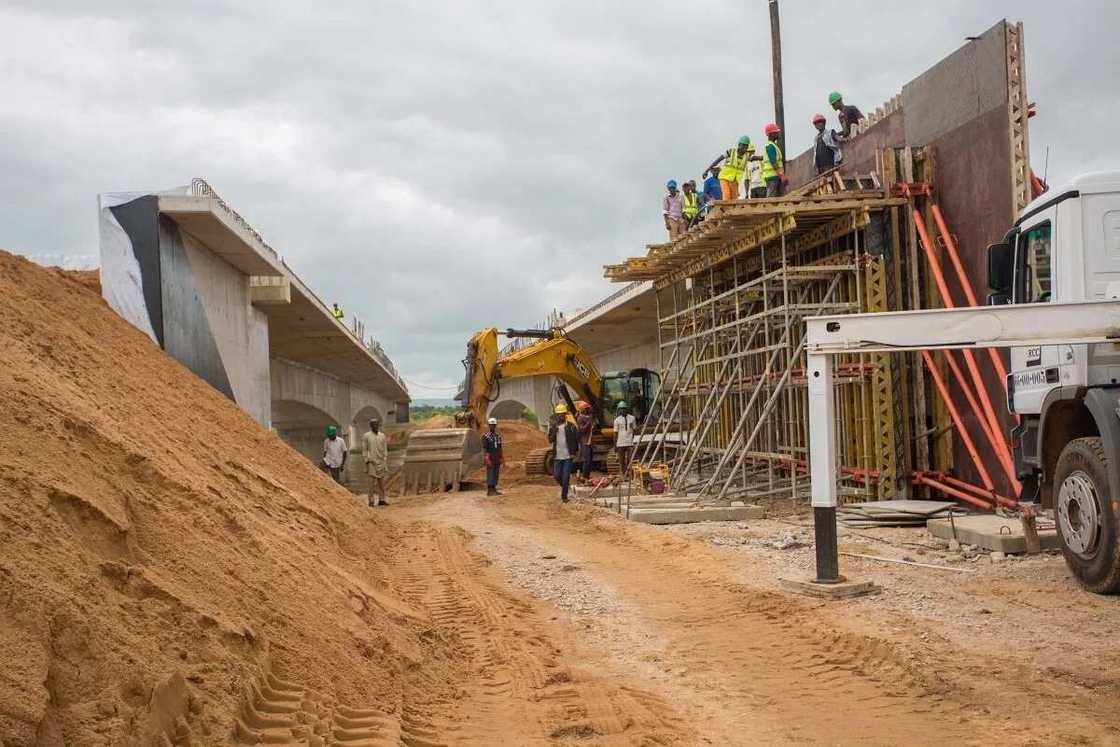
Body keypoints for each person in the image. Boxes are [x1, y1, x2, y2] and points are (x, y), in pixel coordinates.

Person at [548, 404, 579, 503]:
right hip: (557, 456)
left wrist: (575, 452)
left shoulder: (571, 426)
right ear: (556, 416)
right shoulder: (553, 427)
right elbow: (550, 440)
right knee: (557, 476)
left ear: (565, 414)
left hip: (568, 456)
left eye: (562, 414)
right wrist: (554, 432)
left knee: (565, 477)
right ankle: (565, 487)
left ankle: (564, 496)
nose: (561, 416)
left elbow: (576, 440)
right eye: (559, 414)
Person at [706, 136, 754, 201]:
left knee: (734, 198)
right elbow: (718, 160)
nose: (744, 148)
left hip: (734, 179)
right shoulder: (731, 152)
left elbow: (754, 158)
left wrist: (762, 157)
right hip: (724, 177)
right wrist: (707, 170)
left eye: (746, 146)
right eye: (743, 146)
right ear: (739, 145)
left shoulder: (746, 156)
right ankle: (727, 210)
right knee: (727, 194)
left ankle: (733, 210)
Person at [361, 418, 389, 506]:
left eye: (377, 424)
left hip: (381, 462)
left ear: (379, 425)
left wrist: (385, 459)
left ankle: (382, 499)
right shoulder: (366, 436)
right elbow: (364, 450)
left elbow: (385, 449)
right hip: (371, 462)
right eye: (373, 425)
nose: (375, 426)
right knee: (371, 484)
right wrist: (367, 460)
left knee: (382, 483)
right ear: (370, 426)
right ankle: (371, 501)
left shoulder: (382, 436)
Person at [761, 123, 786, 198]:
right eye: (776, 132)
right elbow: (774, 163)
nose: (778, 134)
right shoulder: (770, 146)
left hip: (774, 176)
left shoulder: (773, 145)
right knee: (771, 199)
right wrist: (782, 176)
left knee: (777, 198)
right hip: (772, 176)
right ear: (771, 134)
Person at [613, 401, 637, 474]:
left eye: (624, 409)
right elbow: (615, 434)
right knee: (622, 461)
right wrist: (615, 445)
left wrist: (632, 440)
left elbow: (634, 430)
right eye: (621, 409)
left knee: (630, 460)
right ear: (619, 410)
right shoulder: (617, 420)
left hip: (630, 443)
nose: (622, 410)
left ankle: (630, 475)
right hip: (620, 444)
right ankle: (624, 475)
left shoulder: (632, 418)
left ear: (627, 409)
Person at [575, 401, 596, 484]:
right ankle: (584, 476)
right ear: (583, 410)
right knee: (586, 460)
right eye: (586, 409)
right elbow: (582, 430)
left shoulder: (588, 417)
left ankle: (587, 476)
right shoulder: (580, 418)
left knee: (590, 460)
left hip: (590, 441)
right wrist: (589, 422)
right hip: (585, 442)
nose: (588, 410)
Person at [482, 417, 503, 496]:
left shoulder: (498, 436)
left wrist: (501, 458)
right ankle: (490, 491)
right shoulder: (485, 436)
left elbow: (500, 447)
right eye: (491, 425)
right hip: (490, 458)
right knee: (490, 473)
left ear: (495, 425)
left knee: (496, 473)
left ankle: (494, 489)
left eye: (493, 425)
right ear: (488, 425)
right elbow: (484, 448)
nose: (492, 426)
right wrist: (486, 458)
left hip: (496, 458)